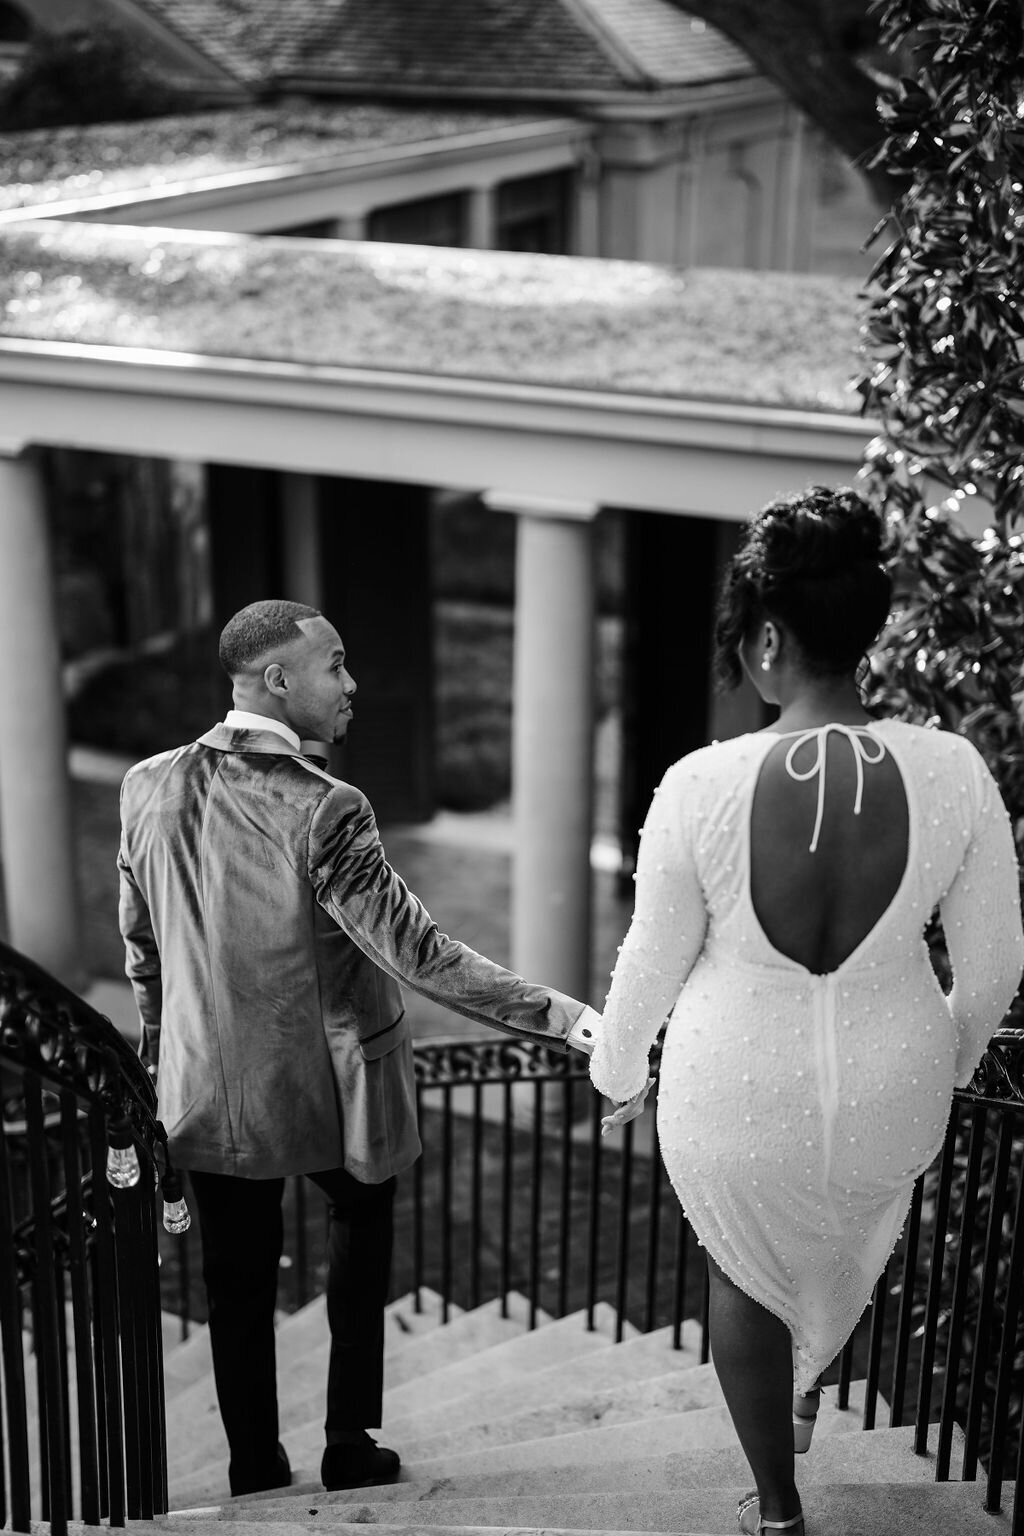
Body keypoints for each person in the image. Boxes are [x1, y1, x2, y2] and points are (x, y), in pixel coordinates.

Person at [588, 486, 1023, 1536]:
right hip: (894, 1084)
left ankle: (776, 1508)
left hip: (733, 1088)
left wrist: (615, 1074)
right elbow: (997, 967)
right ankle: (805, 1387)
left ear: (769, 637)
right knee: (837, 1233)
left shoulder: (699, 784)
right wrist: (946, 1065)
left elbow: (649, 965)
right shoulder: (954, 771)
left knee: (743, 1267)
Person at [118, 599, 599, 1498]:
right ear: (277, 680)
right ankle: (347, 1442)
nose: (351, 684)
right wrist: (566, 1019)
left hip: (208, 1093)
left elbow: (144, 955)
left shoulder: (145, 785)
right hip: (337, 1088)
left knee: (234, 1283)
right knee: (358, 1233)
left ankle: (254, 1465)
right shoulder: (326, 807)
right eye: (334, 666)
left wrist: (159, 1065)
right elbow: (416, 954)